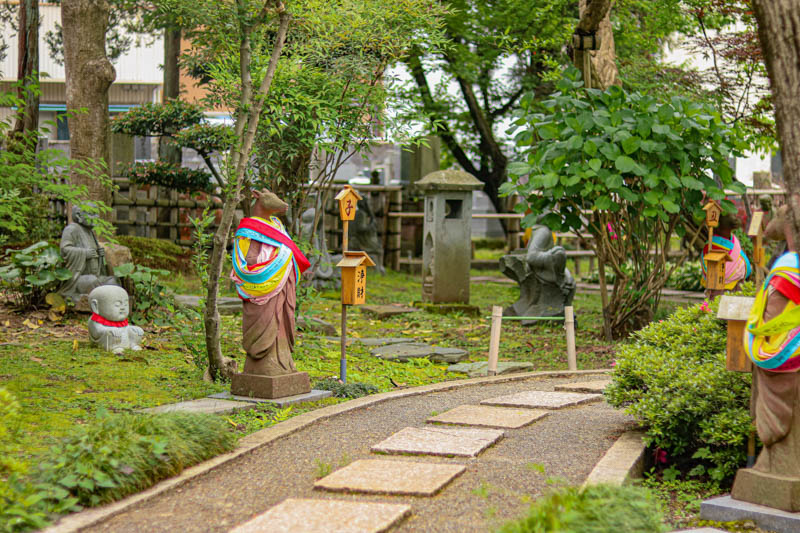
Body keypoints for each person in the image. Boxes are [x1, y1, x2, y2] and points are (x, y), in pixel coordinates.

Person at [230, 189, 310, 376]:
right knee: (267, 319)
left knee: (282, 319)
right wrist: (270, 266)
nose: (283, 205)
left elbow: (286, 249)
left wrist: (282, 266)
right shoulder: (251, 230)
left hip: (282, 283)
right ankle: (265, 362)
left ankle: (283, 359)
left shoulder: (276, 224)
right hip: (262, 285)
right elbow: (250, 260)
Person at [59, 205, 118, 303]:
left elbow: (95, 253)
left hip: (95, 275)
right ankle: (104, 301)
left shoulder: (90, 232)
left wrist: (100, 254)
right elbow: (65, 249)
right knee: (92, 281)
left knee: (112, 281)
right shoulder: (72, 229)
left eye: (97, 214)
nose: (96, 218)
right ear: (78, 216)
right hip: (78, 278)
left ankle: (113, 301)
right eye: (91, 214)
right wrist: (84, 253)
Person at [702, 212, 751, 298]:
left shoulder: (711, 245)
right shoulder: (734, 242)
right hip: (736, 285)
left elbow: (706, 265)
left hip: (717, 287)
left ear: (719, 227)